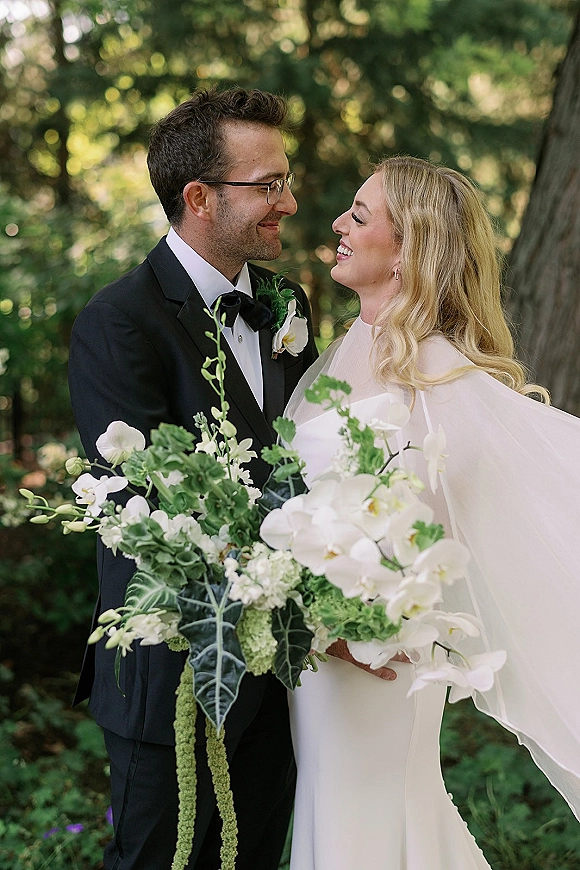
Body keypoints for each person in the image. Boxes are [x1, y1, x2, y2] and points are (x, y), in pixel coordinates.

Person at [285, 155, 580, 869]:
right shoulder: (346, 351)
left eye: (360, 214)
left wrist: (362, 620)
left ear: (411, 245)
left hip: (376, 655)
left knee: (371, 819)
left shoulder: (439, 374)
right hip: (318, 657)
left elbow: (441, 530)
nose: (338, 225)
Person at [68, 87, 317, 870]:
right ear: (200, 197)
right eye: (268, 185)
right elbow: (140, 510)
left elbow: (305, 463)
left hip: (279, 680)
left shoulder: (286, 304)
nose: (290, 200)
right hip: (171, 680)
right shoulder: (120, 322)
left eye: (286, 180)